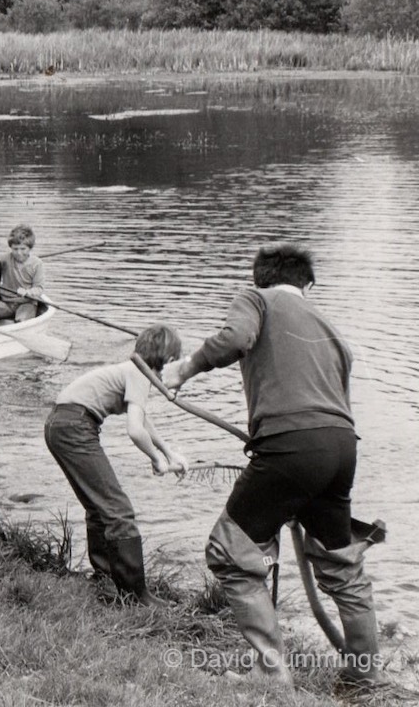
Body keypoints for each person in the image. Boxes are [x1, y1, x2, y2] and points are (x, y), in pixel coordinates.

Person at [164, 243, 383, 690]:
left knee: (228, 552)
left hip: (291, 446)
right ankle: (364, 678)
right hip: (341, 446)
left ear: (260, 280)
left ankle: (270, 675)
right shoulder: (332, 329)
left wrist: (184, 369)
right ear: (308, 286)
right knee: (341, 566)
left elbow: (234, 340)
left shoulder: (256, 298)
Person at [45, 325, 188, 606]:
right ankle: (136, 595)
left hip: (59, 424)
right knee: (119, 510)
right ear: (170, 361)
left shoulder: (132, 369)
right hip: (74, 426)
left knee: (99, 506)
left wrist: (168, 453)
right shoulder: (140, 374)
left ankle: (105, 576)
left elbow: (143, 420)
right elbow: (135, 430)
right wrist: (156, 460)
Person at [0, 223, 45, 321]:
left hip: (26, 303)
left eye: (23, 249)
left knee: (21, 320)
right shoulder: (6, 258)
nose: (19, 253)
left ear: (30, 248)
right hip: (6, 302)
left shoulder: (37, 263)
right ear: (11, 247)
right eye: (15, 249)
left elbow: (39, 288)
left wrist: (27, 292)